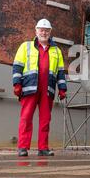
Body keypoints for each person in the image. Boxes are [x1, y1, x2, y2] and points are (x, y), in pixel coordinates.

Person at [12, 18, 67, 157]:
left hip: (47, 89)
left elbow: (60, 72)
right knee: (26, 118)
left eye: (46, 30)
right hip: (29, 87)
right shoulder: (26, 46)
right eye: (41, 30)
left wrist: (62, 88)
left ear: (50, 32)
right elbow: (17, 66)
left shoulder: (56, 51)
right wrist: (17, 84)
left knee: (45, 120)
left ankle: (43, 148)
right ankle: (23, 147)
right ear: (36, 31)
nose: (44, 32)